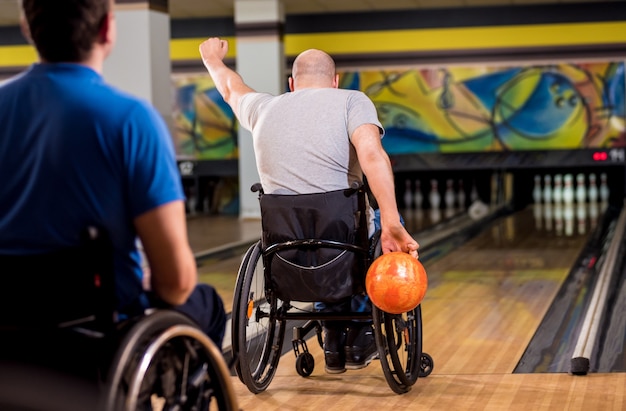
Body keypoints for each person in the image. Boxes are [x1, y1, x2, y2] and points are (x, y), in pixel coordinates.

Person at [0, 0, 226, 357]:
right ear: (107, 29)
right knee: (206, 303)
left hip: (9, 329)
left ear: (28, 29)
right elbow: (176, 283)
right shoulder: (131, 120)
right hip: (99, 332)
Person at [199, 37, 419, 374]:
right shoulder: (352, 100)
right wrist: (390, 221)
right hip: (343, 242)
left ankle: (331, 336)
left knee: (318, 231)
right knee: (378, 225)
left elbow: (230, 88)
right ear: (335, 82)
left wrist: (212, 59)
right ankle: (358, 336)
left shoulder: (263, 107)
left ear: (291, 84)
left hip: (286, 253)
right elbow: (372, 154)